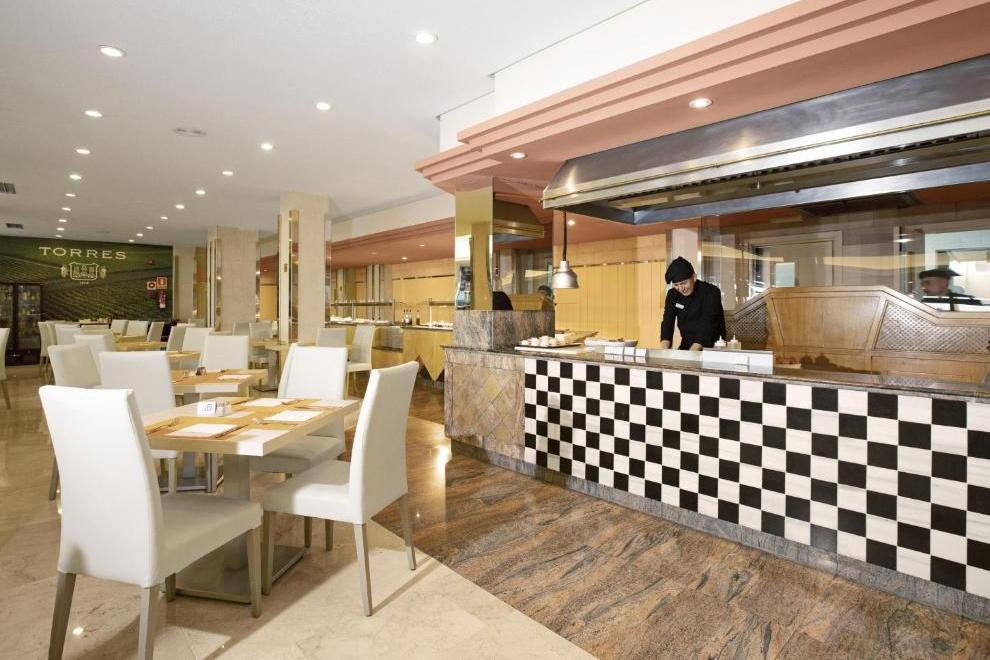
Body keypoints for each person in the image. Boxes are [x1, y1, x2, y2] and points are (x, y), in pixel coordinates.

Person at [659, 257, 726, 351]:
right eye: (676, 285)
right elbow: (667, 323)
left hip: (713, 346)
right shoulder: (672, 294)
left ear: (694, 277)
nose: (680, 288)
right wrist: (664, 350)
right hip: (687, 345)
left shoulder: (711, 292)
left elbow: (707, 324)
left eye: (683, 283)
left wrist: (692, 354)